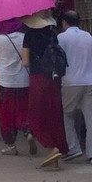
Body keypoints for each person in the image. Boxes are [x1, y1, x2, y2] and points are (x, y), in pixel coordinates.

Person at [21, 12, 69, 169]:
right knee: (54, 113)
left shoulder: (29, 36)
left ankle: (51, 146)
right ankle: (56, 153)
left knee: (36, 115)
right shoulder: (52, 34)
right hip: (54, 79)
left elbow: (26, 62)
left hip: (37, 78)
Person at [56, 10, 92, 164]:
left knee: (66, 115)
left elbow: (57, 59)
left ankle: (74, 147)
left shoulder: (61, 38)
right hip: (91, 81)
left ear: (64, 23)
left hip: (70, 82)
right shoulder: (90, 37)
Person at [0, 18, 36, 156]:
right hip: (24, 81)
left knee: (6, 114)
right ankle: (27, 130)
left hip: (5, 82)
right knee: (23, 109)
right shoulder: (24, 37)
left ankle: (11, 145)